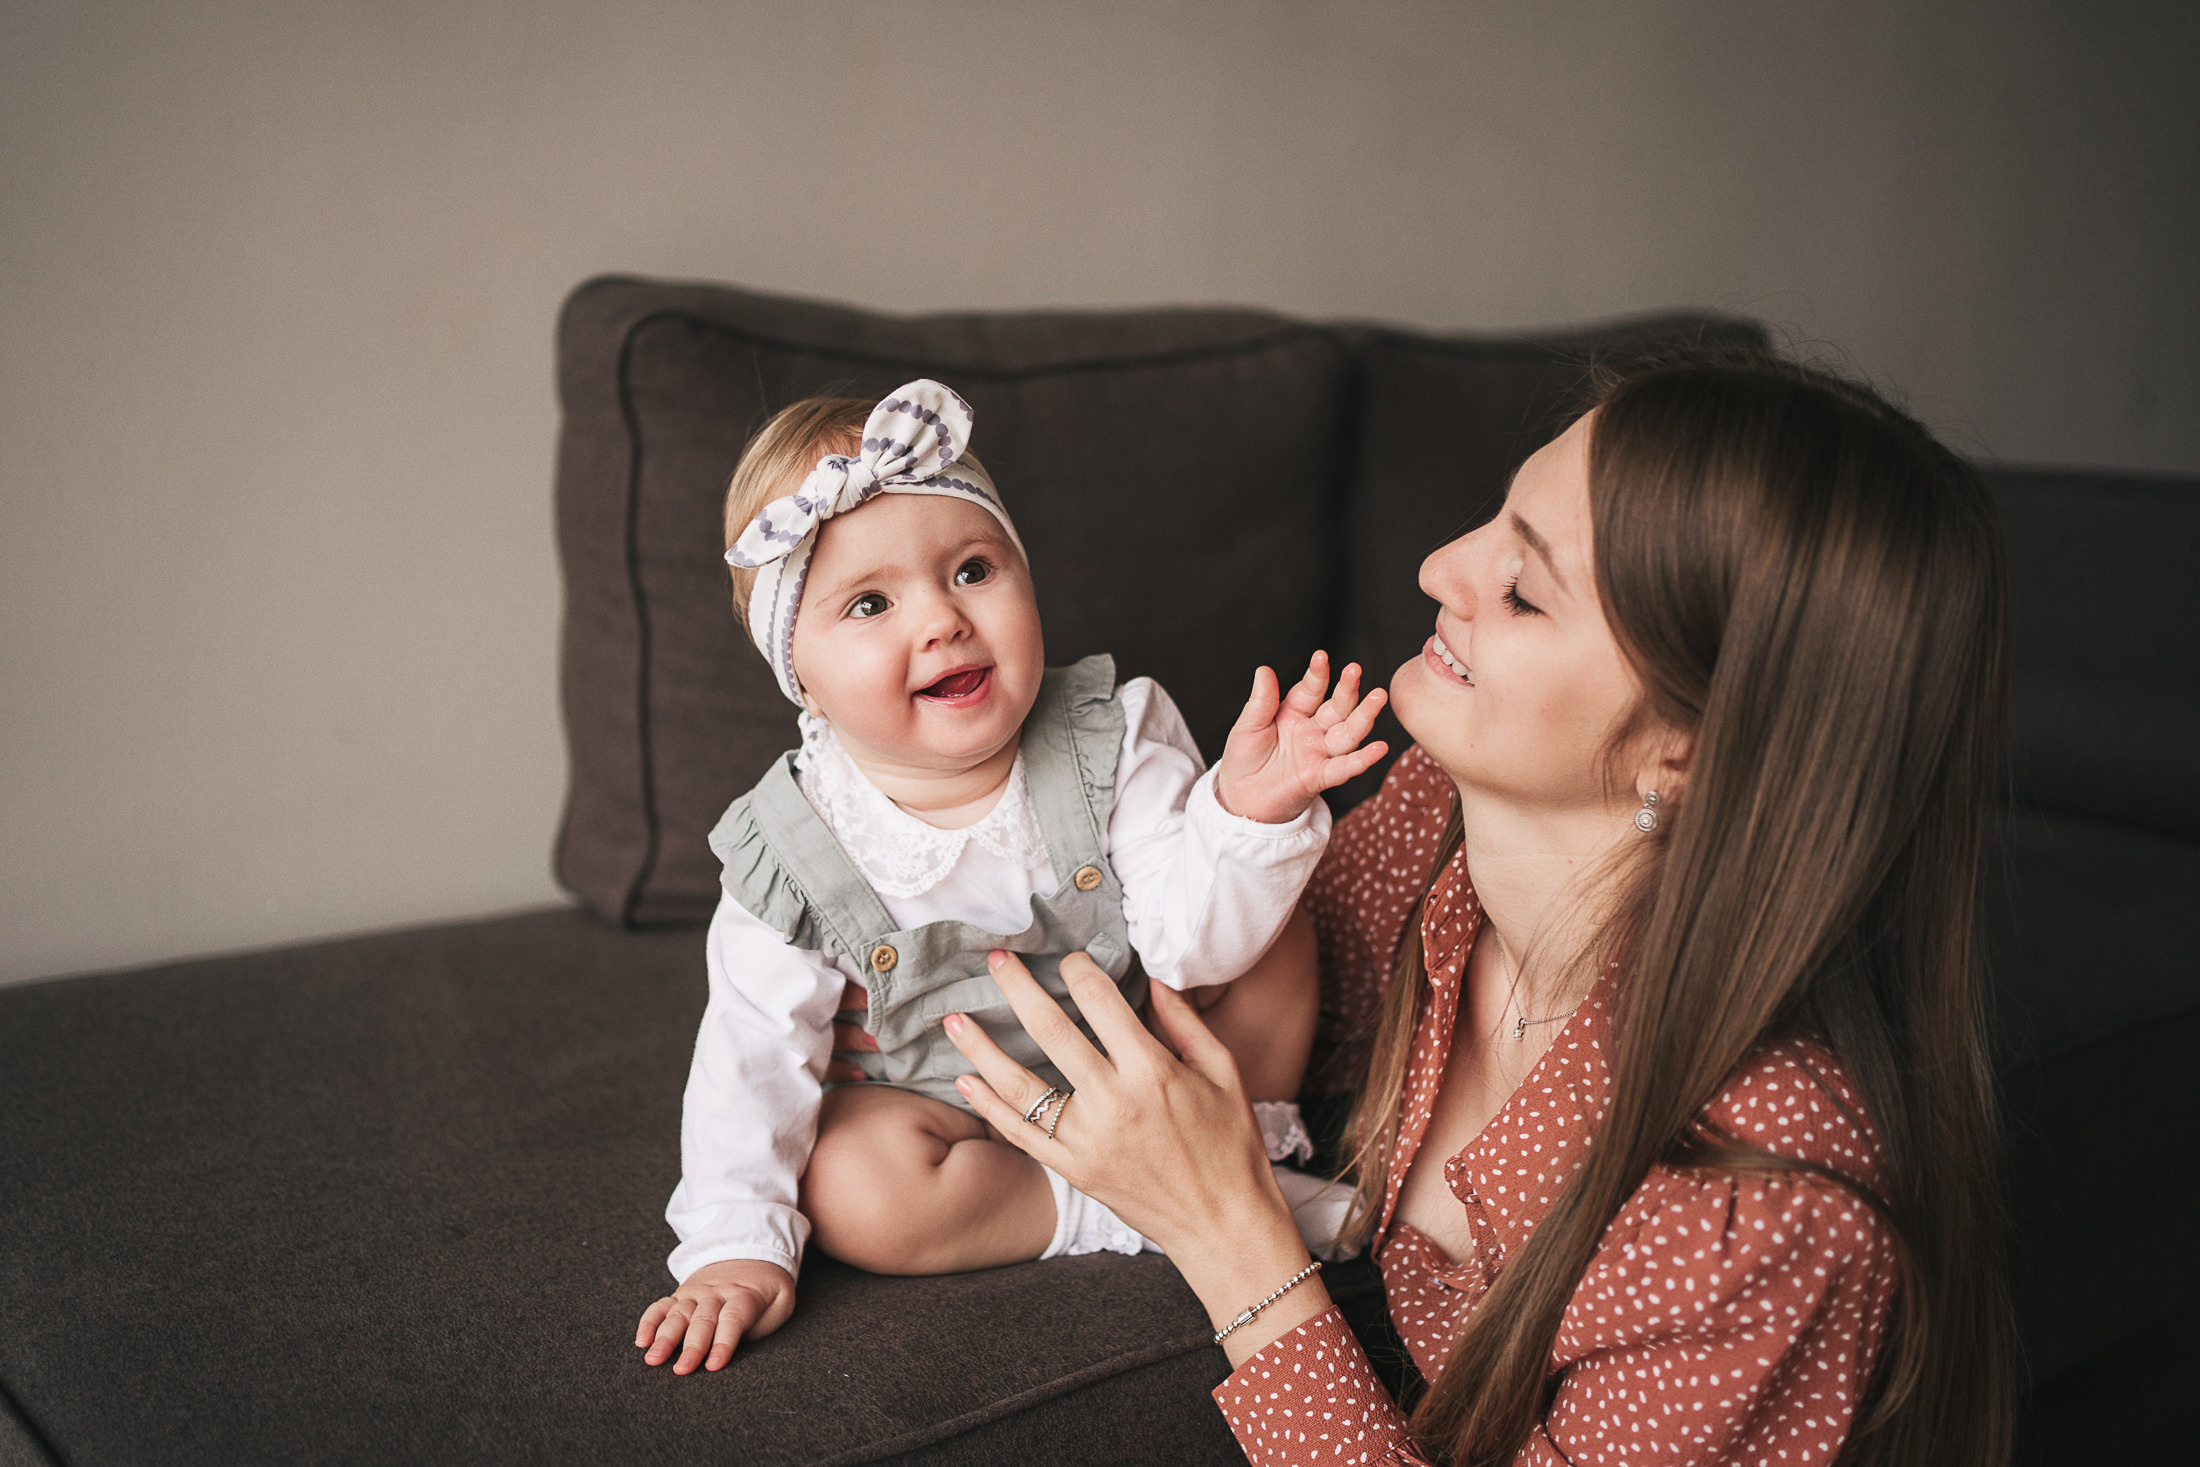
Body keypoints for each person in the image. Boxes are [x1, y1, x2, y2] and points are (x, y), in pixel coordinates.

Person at [943, 351, 2017, 1464]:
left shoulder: (1766, 1200)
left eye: (1523, 591)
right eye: (1494, 519)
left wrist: (1229, 1232)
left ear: (1688, 749)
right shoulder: (1436, 825)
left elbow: (1214, 1169)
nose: (1436, 567)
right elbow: (1200, 986)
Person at [634, 381, 1387, 1376]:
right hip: (959, 1107)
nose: (942, 620)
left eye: (973, 570)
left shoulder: (1113, 734)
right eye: (870, 602)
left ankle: (1225, 1157)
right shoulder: (792, 849)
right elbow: (750, 1059)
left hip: (1150, 1053)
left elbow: (1190, 947)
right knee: (855, 1182)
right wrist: (733, 1246)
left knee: (1278, 923)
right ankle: (1151, 1208)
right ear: (798, 675)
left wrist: (1249, 811)